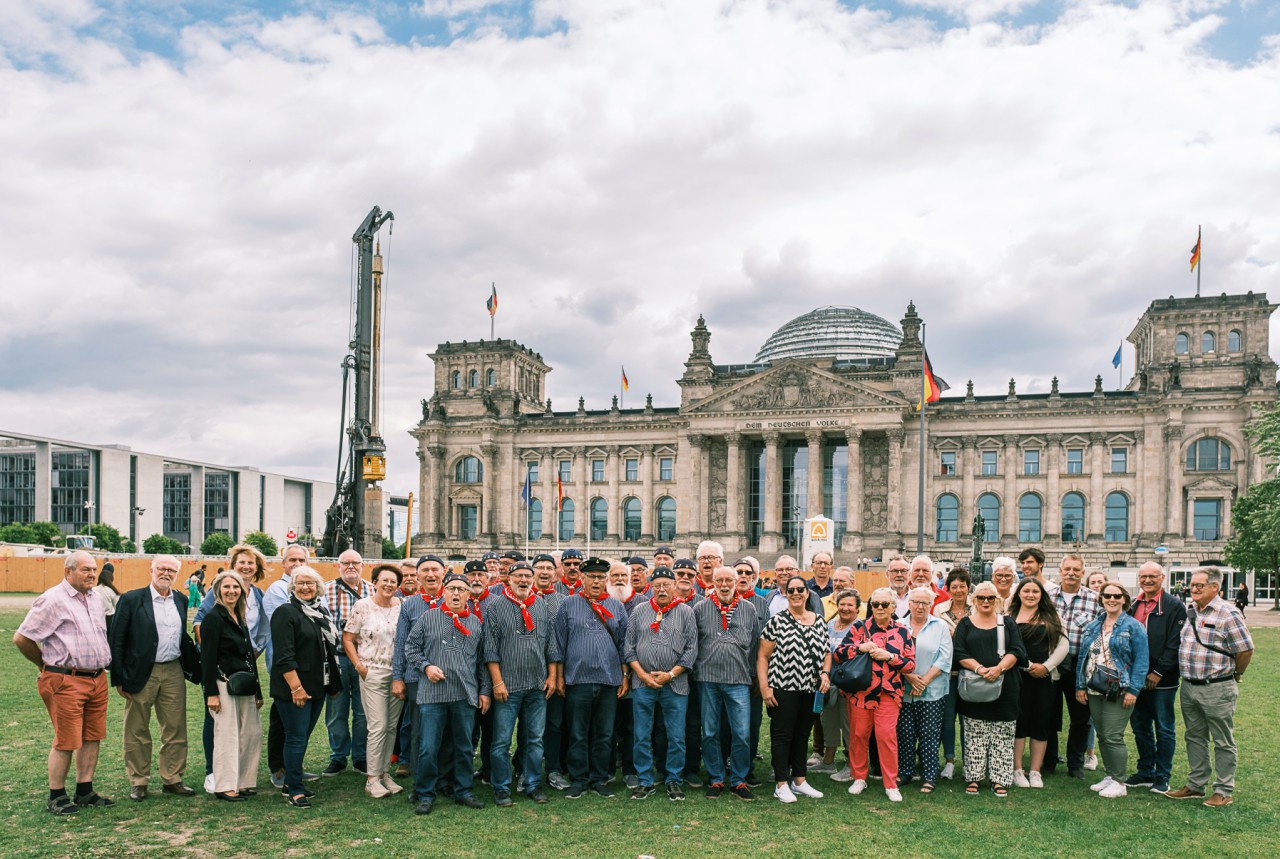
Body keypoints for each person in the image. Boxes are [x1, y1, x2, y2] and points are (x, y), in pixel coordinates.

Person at [13, 551, 115, 815]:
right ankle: (56, 795)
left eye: (93, 570)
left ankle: (85, 790)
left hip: (96, 678)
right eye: (85, 570)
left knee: (93, 736)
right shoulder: (52, 599)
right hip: (64, 680)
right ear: (68, 572)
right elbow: (22, 638)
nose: (92, 574)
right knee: (67, 740)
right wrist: (43, 665)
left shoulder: (95, 597)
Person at [108, 554, 201, 801]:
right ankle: (139, 781)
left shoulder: (180, 600)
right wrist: (118, 677)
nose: (166, 573)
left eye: (171, 570)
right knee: (137, 728)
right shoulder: (131, 599)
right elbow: (117, 639)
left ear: (177, 575)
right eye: (162, 568)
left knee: (175, 728)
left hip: (172, 670)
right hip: (141, 671)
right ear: (152, 569)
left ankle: (172, 778)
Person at [1166, 566, 1254, 807]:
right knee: (1194, 736)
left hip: (1217, 687)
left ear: (1215, 587)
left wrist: (1236, 673)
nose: (1193, 589)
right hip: (1189, 686)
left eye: (1199, 585)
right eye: (1192, 585)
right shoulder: (1191, 610)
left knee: (1222, 740)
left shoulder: (1229, 613)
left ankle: (1224, 790)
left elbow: (1245, 649)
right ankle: (1196, 785)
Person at [405, 572, 491, 815]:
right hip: (433, 695)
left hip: (464, 694)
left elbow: (482, 660)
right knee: (429, 747)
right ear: (444, 591)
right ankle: (425, 792)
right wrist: (426, 666)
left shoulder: (475, 622)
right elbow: (410, 648)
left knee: (464, 747)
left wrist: (484, 690)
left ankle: (463, 790)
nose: (456, 593)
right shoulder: (427, 617)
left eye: (461, 589)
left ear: (468, 594)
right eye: (452, 588)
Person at [193, 543, 270, 794]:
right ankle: (225, 785)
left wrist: (258, 691)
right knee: (226, 735)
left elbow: (249, 654)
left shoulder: (241, 616)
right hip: (223, 682)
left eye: (235, 587)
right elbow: (207, 657)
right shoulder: (213, 618)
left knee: (251, 734)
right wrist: (211, 693)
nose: (231, 591)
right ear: (217, 590)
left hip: (245, 681)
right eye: (226, 587)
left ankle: (245, 781)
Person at [485, 560, 561, 806]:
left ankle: (532, 784)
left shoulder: (540, 605)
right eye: (518, 576)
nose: (524, 580)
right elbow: (490, 649)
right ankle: (501, 787)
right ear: (509, 578)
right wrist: (497, 682)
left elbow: (550, 644)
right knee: (502, 741)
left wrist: (551, 676)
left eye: (528, 576)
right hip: (508, 685)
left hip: (537, 685)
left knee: (534, 740)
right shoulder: (496, 607)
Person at [554, 556, 629, 799]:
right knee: (578, 732)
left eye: (600, 578)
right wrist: (560, 677)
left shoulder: (616, 607)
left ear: (606, 580)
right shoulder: (568, 604)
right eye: (592, 577)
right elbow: (559, 644)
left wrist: (625, 675)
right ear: (582, 579)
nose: (596, 582)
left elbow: (624, 645)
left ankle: (599, 779)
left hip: (609, 681)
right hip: (578, 680)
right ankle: (579, 779)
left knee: (604, 733)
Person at [834, 586, 916, 802]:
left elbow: (910, 665)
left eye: (884, 604)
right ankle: (859, 777)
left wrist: (889, 657)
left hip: (889, 693)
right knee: (859, 735)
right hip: (861, 692)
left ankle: (890, 782)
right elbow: (839, 654)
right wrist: (860, 648)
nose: (879, 608)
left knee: (886, 737)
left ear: (893, 607)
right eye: (875, 604)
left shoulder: (903, 631)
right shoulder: (859, 628)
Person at [270, 566, 341, 808]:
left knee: (303, 736)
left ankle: (291, 782)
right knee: (296, 738)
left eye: (310, 583)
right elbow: (284, 655)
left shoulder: (319, 611)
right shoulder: (286, 612)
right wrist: (296, 688)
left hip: (317, 686)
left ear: (318, 587)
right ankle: (295, 791)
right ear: (292, 586)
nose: (306, 587)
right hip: (294, 688)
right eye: (300, 583)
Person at [758, 575, 831, 803]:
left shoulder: (819, 620)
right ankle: (781, 783)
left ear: (807, 593)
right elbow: (762, 656)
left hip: (810, 688)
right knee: (782, 735)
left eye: (801, 589)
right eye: (791, 590)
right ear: (786, 594)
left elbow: (827, 652)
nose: (796, 593)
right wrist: (764, 688)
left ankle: (799, 780)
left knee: (802, 735)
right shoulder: (777, 621)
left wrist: (826, 673)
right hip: (783, 687)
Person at [626, 565, 697, 801]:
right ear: (651, 588)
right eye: (657, 586)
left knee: (676, 735)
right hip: (642, 683)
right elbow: (629, 648)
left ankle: (674, 780)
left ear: (675, 586)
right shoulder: (639, 611)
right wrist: (643, 675)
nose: (662, 589)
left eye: (667, 585)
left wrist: (671, 674)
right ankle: (645, 780)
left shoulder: (686, 612)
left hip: (675, 684)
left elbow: (691, 650)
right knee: (641, 734)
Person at [953, 581, 1027, 798]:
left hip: (1006, 686)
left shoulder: (1008, 623)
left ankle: (1000, 779)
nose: (986, 601)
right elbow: (959, 652)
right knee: (975, 733)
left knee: (1003, 735)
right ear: (974, 600)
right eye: (981, 598)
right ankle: (974, 777)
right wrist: (979, 668)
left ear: (997, 600)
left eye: (990, 598)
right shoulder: (965, 624)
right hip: (974, 685)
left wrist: (999, 668)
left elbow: (1018, 650)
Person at [1075, 582, 1149, 798]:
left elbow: (1141, 661)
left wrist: (1133, 690)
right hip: (1095, 686)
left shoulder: (1133, 626)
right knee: (1102, 736)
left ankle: (1119, 781)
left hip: (1120, 688)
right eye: (1107, 596)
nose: (1112, 599)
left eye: (1117, 596)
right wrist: (1080, 685)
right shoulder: (1094, 625)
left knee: (1113, 734)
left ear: (1125, 599)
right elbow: (1083, 657)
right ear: (1102, 599)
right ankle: (1110, 775)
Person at [692, 566, 758, 801]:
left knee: (741, 732)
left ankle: (739, 780)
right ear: (713, 582)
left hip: (739, 679)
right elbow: (694, 642)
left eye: (729, 579)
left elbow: (756, 645)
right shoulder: (700, 608)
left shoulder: (749, 609)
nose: (724, 584)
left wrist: (754, 676)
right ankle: (716, 778)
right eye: (719, 580)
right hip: (708, 679)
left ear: (736, 581)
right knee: (710, 732)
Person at [1125, 562, 1187, 795]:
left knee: (1164, 727)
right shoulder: (1132, 604)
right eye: (1144, 576)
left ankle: (1162, 776)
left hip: (1163, 678)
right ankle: (1145, 771)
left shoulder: (1174, 606)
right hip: (1135, 677)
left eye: (1153, 576)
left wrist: (1159, 671)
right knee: (1140, 726)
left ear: (1162, 578)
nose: (1148, 580)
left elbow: (1175, 642)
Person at [343, 564, 403, 798]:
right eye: (384, 580)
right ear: (375, 582)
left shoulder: (402, 607)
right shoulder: (363, 606)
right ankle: (372, 778)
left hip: (396, 673)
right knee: (377, 726)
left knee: (391, 726)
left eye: (393, 582)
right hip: (373, 671)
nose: (389, 585)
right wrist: (360, 666)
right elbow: (348, 638)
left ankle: (385, 773)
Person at [391, 554, 446, 791]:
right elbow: (401, 643)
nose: (431, 575)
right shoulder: (409, 605)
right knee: (417, 729)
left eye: (435, 570)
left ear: (444, 573)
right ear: (418, 575)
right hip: (416, 678)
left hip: (448, 678)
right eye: (425, 570)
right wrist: (397, 677)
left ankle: (444, 778)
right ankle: (420, 780)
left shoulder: (455, 598)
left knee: (446, 731)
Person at [263, 543, 315, 789]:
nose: (296, 564)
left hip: (305, 667)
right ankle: (279, 768)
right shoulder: (278, 590)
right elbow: (286, 632)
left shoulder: (310, 592)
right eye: (292, 560)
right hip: (285, 667)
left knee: (296, 724)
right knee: (283, 721)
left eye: (301, 560)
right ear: (283, 564)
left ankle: (293, 767)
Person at [1009, 577, 1067, 789]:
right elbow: (1007, 647)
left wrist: (1047, 666)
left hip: (1045, 678)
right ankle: (1017, 770)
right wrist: (1028, 665)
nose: (1031, 595)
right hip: (1017, 678)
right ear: (1019, 594)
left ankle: (1035, 771)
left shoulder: (1052, 616)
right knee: (1019, 724)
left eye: (1035, 591)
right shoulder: (1010, 616)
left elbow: (1063, 645)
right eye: (1026, 591)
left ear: (1041, 595)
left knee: (1041, 725)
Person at [897, 586, 952, 794]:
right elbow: (894, 655)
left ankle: (930, 776)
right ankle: (905, 772)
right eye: (916, 602)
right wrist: (909, 676)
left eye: (925, 603)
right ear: (909, 604)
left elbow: (945, 658)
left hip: (932, 691)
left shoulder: (940, 626)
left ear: (931, 605)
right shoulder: (899, 625)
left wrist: (923, 682)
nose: (920, 606)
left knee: (929, 734)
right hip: (903, 689)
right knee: (905, 733)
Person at [323, 549, 373, 778]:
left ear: (363, 566)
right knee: (336, 710)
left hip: (365, 660)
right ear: (338, 566)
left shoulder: (372, 590)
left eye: (355, 563)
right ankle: (338, 756)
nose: (351, 567)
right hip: (338, 658)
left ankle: (361, 757)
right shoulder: (326, 590)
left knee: (363, 712)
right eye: (346, 563)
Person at [1052, 554, 1101, 779]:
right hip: (1052, 663)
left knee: (1080, 717)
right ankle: (1048, 760)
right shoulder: (1047, 596)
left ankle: (1075, 763)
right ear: (1060, 571)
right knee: (1048, 715)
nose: (1071, 573)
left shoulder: (1094, 599)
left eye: (1076, 570)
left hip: (1080, 665)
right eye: (1067, 569)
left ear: (1083, 573)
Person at [933, 567, 971, 780]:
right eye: (954, 587)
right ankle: (949, 761)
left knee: (968, 721)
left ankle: (968, 762)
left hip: (971, 673)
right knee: (947, 720)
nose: (958, 590)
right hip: (947, 673)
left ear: (968, 587)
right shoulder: (939, 609)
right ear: (948, 589)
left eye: (962, 586)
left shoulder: (977, 607)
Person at [817, 588, 858, 778]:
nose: (846, 608)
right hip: (829, 683)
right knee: (828, 722)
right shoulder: (830, 624)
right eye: (842, 604)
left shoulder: (860, 627)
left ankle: (851, 766)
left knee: (849, 725)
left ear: (857, 608)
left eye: (850, 605)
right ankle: (828, 761)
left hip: (849, 686)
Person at [95, 563, 120, 635]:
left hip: (97, 617)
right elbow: (117, 606)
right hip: (109, 619)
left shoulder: (93, 590)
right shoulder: (112, 591)